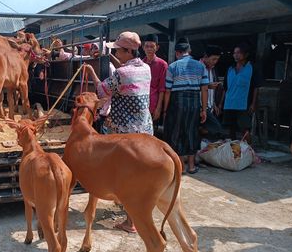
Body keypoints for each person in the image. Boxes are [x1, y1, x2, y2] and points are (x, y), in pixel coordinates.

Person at [83, 31, 152, 233]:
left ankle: (131, 221)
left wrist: (91, 72)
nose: (117, 53)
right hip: (145, 130)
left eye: (118, 51)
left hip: (124, 134)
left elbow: (102, 90)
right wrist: (110, 57)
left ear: (128, 51)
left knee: (127, 179)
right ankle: (135, 214)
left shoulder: (121, 74)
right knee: (139, 176)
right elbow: (125, 70)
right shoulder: (145, 68)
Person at [163, 37, 209, 174]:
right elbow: (205, 89)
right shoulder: (201, 66)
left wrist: (166, 110)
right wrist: (204, 109)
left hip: (177, 101)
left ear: (177, 53)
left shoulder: (173, 66)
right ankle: (192, 166)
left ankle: (181, 167)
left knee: (176, 132)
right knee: (192, 132)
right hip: (194, 101)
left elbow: (167, 91)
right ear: (189, 51)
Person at [219, 43, 259, 143]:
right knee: (231, 129)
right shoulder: (230, 69)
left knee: (244, 129)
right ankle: (234, 150)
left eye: (239, 53)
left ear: (246, 55)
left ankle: (249, 150)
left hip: (243, 104)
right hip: (229, 103)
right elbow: (225, 88)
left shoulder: (252, 68)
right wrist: (220, 103)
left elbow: (256, 87)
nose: (236, 55)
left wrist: (253, 104)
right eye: (234, 53)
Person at [142, 34, 168, 125]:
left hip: (154, 105)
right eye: (147, 46)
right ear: (143, 47)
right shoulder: (140, 64)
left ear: (157, 47)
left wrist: (159, 108)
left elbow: (162, 89)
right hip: (141, 104)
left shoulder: (162, 65)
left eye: (152, 46)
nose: (149, 49)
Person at [200, 45, 224, 138]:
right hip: (201, 106)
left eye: (217, 59)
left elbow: (210, 91)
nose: (215, 62)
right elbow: (197, 87)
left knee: (212, 130)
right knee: (216, 129)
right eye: (213, 59)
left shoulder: (211, 69)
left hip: (209, 106)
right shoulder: (199, 67)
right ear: (205, 57)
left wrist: (214, 104)